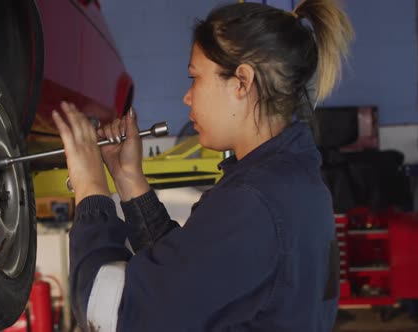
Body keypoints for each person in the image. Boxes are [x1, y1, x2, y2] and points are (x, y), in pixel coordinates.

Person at [52, 0, 354, 330]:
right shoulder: (293, 184)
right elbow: (194, 279)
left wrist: (90, 187)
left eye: (194, 77)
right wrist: (128, 179)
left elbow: (110, 311)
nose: (187, 96)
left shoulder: (253, 202)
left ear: (242, 81)